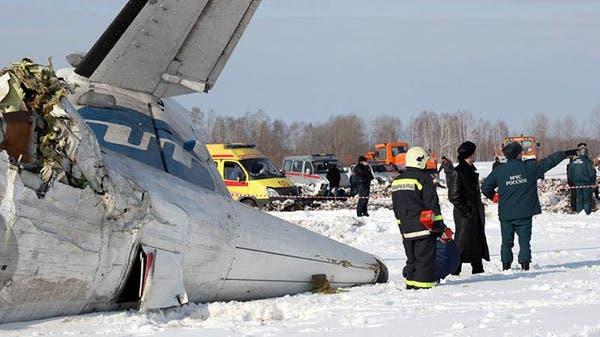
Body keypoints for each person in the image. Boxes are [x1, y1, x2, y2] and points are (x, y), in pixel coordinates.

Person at [481, 142, 577, 271]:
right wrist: (565, 154)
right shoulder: (530, 167)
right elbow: (549, 162)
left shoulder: (499, 171)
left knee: (506, 242)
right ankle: (525, 265)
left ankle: (506, 266)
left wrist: (494, 196)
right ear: (519, 154)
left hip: (506, 214)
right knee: (524, 242)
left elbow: (485, 187)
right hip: (524, 213)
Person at [392, 147, 453, 289]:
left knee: (412, 260)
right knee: (424, 261)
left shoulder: (397, 181)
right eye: (425, 161)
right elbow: (432, 206)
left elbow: (396, 208)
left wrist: (402, 228)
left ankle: (411, 285)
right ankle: (423, 288)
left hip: (406, 229)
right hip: (423, 229)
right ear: (420, 161)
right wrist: (440, 227)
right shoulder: (423, 179)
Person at [448, 141, 490, 275]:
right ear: (469, 155)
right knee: (462, 242)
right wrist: (466, 211)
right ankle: (455, 270)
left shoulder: (471, 170)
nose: (476, 155)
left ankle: (478, 268)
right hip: (464, 214)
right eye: (474, 153)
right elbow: (454, 196)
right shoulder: (458, 172)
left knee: (476, 240)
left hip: (474, 212)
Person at [567, 143, 597, 215]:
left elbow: (570, 173)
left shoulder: (573, 162)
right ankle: (587, 213)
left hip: (576, 184)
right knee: (587, 200)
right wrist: (593, 182)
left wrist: (571, 183)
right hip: (587, 183)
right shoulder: (588, 162)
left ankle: (579, 212)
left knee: (579, 199)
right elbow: (592, 173)